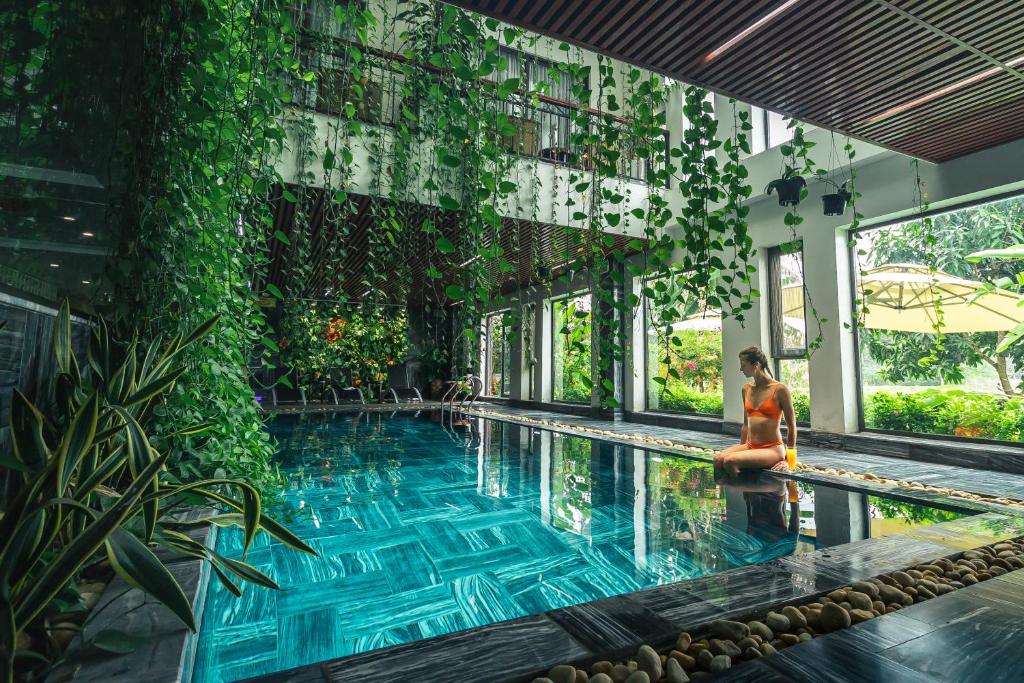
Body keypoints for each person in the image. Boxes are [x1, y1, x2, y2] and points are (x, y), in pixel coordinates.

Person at [714, 346, 796, 477]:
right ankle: (739, 490)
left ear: (756, 365)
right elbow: (746, 425)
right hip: (751, 446)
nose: (741, 369)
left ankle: (746, 492)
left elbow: (792, 426)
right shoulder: (746, 389)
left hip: (772, 448)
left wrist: (789, 461)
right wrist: (742, 456)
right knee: (718, 460)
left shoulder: (780, 389)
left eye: (744, 365)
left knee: (730, 461)